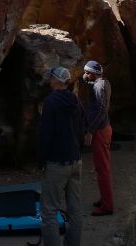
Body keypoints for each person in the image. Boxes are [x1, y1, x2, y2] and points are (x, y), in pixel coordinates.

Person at [37, 67, 85, 246]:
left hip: (57, 162)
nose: (49, 81)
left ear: (56, 80)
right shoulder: (76, 100)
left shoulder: (50, 102)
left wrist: (41, 160)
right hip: (75, 160)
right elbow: (81, 130)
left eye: (50, 78)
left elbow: (45, 134)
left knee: (49, 210)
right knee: (75, 209)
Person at [83, 60, 114, 216]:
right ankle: (104, 199)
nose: (85, 75)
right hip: (104, 128)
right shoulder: (103, 82)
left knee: (102, 169)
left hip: (100, 130)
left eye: (87, 72)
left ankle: (107, 206)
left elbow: (101, 110)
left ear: (93, 73)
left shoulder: (99, 86)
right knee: (101, 167)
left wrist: (90, 130)